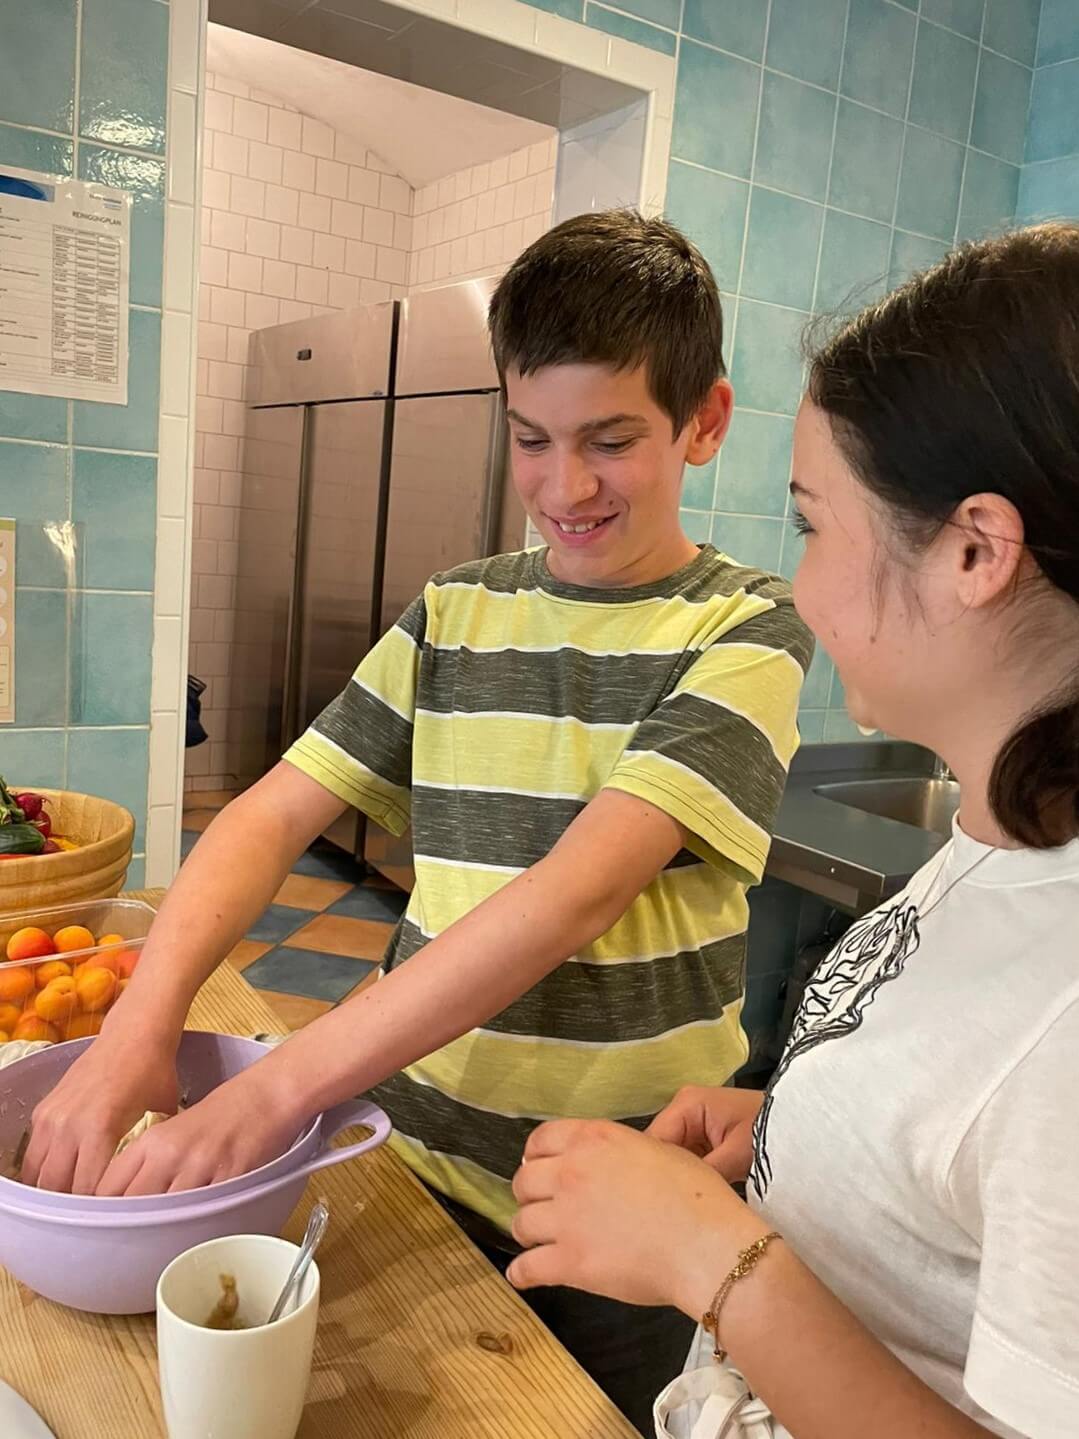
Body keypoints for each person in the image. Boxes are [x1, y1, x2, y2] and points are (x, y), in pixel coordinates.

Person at [23, 210, 812, 1430]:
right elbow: (270, 811)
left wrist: (274, 1091)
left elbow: (574, 893)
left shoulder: (742, 630)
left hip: (627, 1199)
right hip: (416, 1147)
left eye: (610, 440)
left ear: (702, 422)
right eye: (531, 438)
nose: (564, 486)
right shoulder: (455, 610)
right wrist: (140, 1020)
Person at [505, 222, 1079, 1439]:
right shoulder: (1000, 837)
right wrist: (804, 1135)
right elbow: (960, 1164)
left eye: (813, 523)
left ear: (974, 549)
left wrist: (708, 1259)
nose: (800, 585)